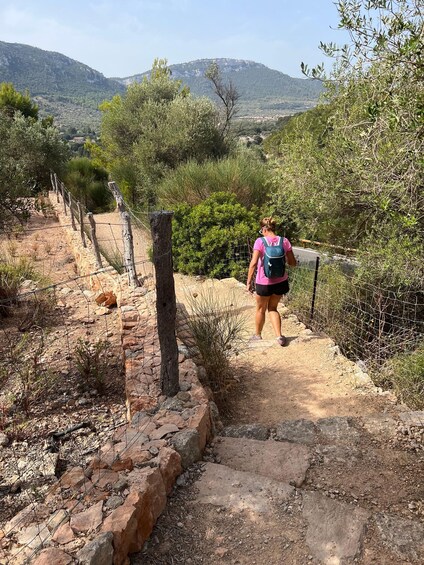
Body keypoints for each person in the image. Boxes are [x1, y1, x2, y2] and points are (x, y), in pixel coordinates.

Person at [246, 217, 296, 346]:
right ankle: (279, 336)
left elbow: (253, 263)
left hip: (264, 283)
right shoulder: (284, 241)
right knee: (273, 308)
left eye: (260, 230)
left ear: (264, 229)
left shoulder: (260, 242)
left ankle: (257, 335)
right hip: (281, 282)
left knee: (260, 309)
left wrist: (248, 282)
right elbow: (292, 263)